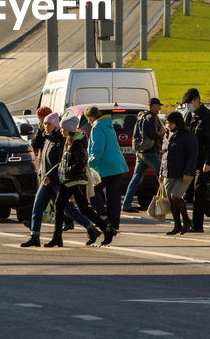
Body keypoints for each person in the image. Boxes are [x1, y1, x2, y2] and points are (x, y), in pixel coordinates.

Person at [21, 113, 98, 248]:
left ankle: (91, 227)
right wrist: (39, 131)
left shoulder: (61, 140)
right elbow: (35, 144)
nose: (45, 126)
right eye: (44, 124)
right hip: (46, 179)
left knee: (68, 210)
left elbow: (60, 163)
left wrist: (50, 175)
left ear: (55, 125)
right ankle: (35, 236)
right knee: (38, 206)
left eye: (48, 124)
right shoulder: (47, 138)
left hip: (56, 180)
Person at [47, 118, 111, 247]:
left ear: (69, 129)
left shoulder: (76, 142)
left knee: (81, 208)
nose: (62, 130)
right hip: (70, 180)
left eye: (63, 128)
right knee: (61, 207)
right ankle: (57, 237)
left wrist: (67, 170)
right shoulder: (70, 140)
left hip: (76, 180)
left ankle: (107, 230)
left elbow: (82, 161)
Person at [182, 87, 210, 232]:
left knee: (199, 192)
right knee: (189, 193)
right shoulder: (189, 116)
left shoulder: (208, 118)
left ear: (197, 101)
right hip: (190, 161)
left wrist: (209, 162)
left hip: (203, 162)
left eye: (189, 102)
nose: (187, 105)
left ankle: (197, 225)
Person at [87, 106, 129, 239]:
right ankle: (114, 222)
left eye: (88, 119)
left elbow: (97, 149)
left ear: (92, 117)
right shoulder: (108, 125)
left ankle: (103, 216)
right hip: (117, 166)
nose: (88, 122)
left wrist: (89, 164)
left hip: (104, 166)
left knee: (92, 191)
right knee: (114, 196)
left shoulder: (97, 127)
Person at [123, 98, 164, 214]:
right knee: (162, 176)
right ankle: (167, 204)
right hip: (150, 151)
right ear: (153, 106)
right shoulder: (151, 117)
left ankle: (126, 204)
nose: (159, 108)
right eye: (158, 106)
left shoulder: (141, 116)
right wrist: (160, 133)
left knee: (135, 179)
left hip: (141, 151)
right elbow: (152, 134)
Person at [160, 111, 198, 235]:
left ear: (177, 122)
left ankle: (187, 221)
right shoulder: (166, 135)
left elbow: (192, 155)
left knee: (175, 196)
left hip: (183, 172)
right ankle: (177, 225)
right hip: (168, 172)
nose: (168, 126)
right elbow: (164, 155)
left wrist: (188, 171)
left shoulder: (187, 135)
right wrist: (161, 171)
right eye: (167, 123)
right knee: (171, 200)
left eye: (170, 123)